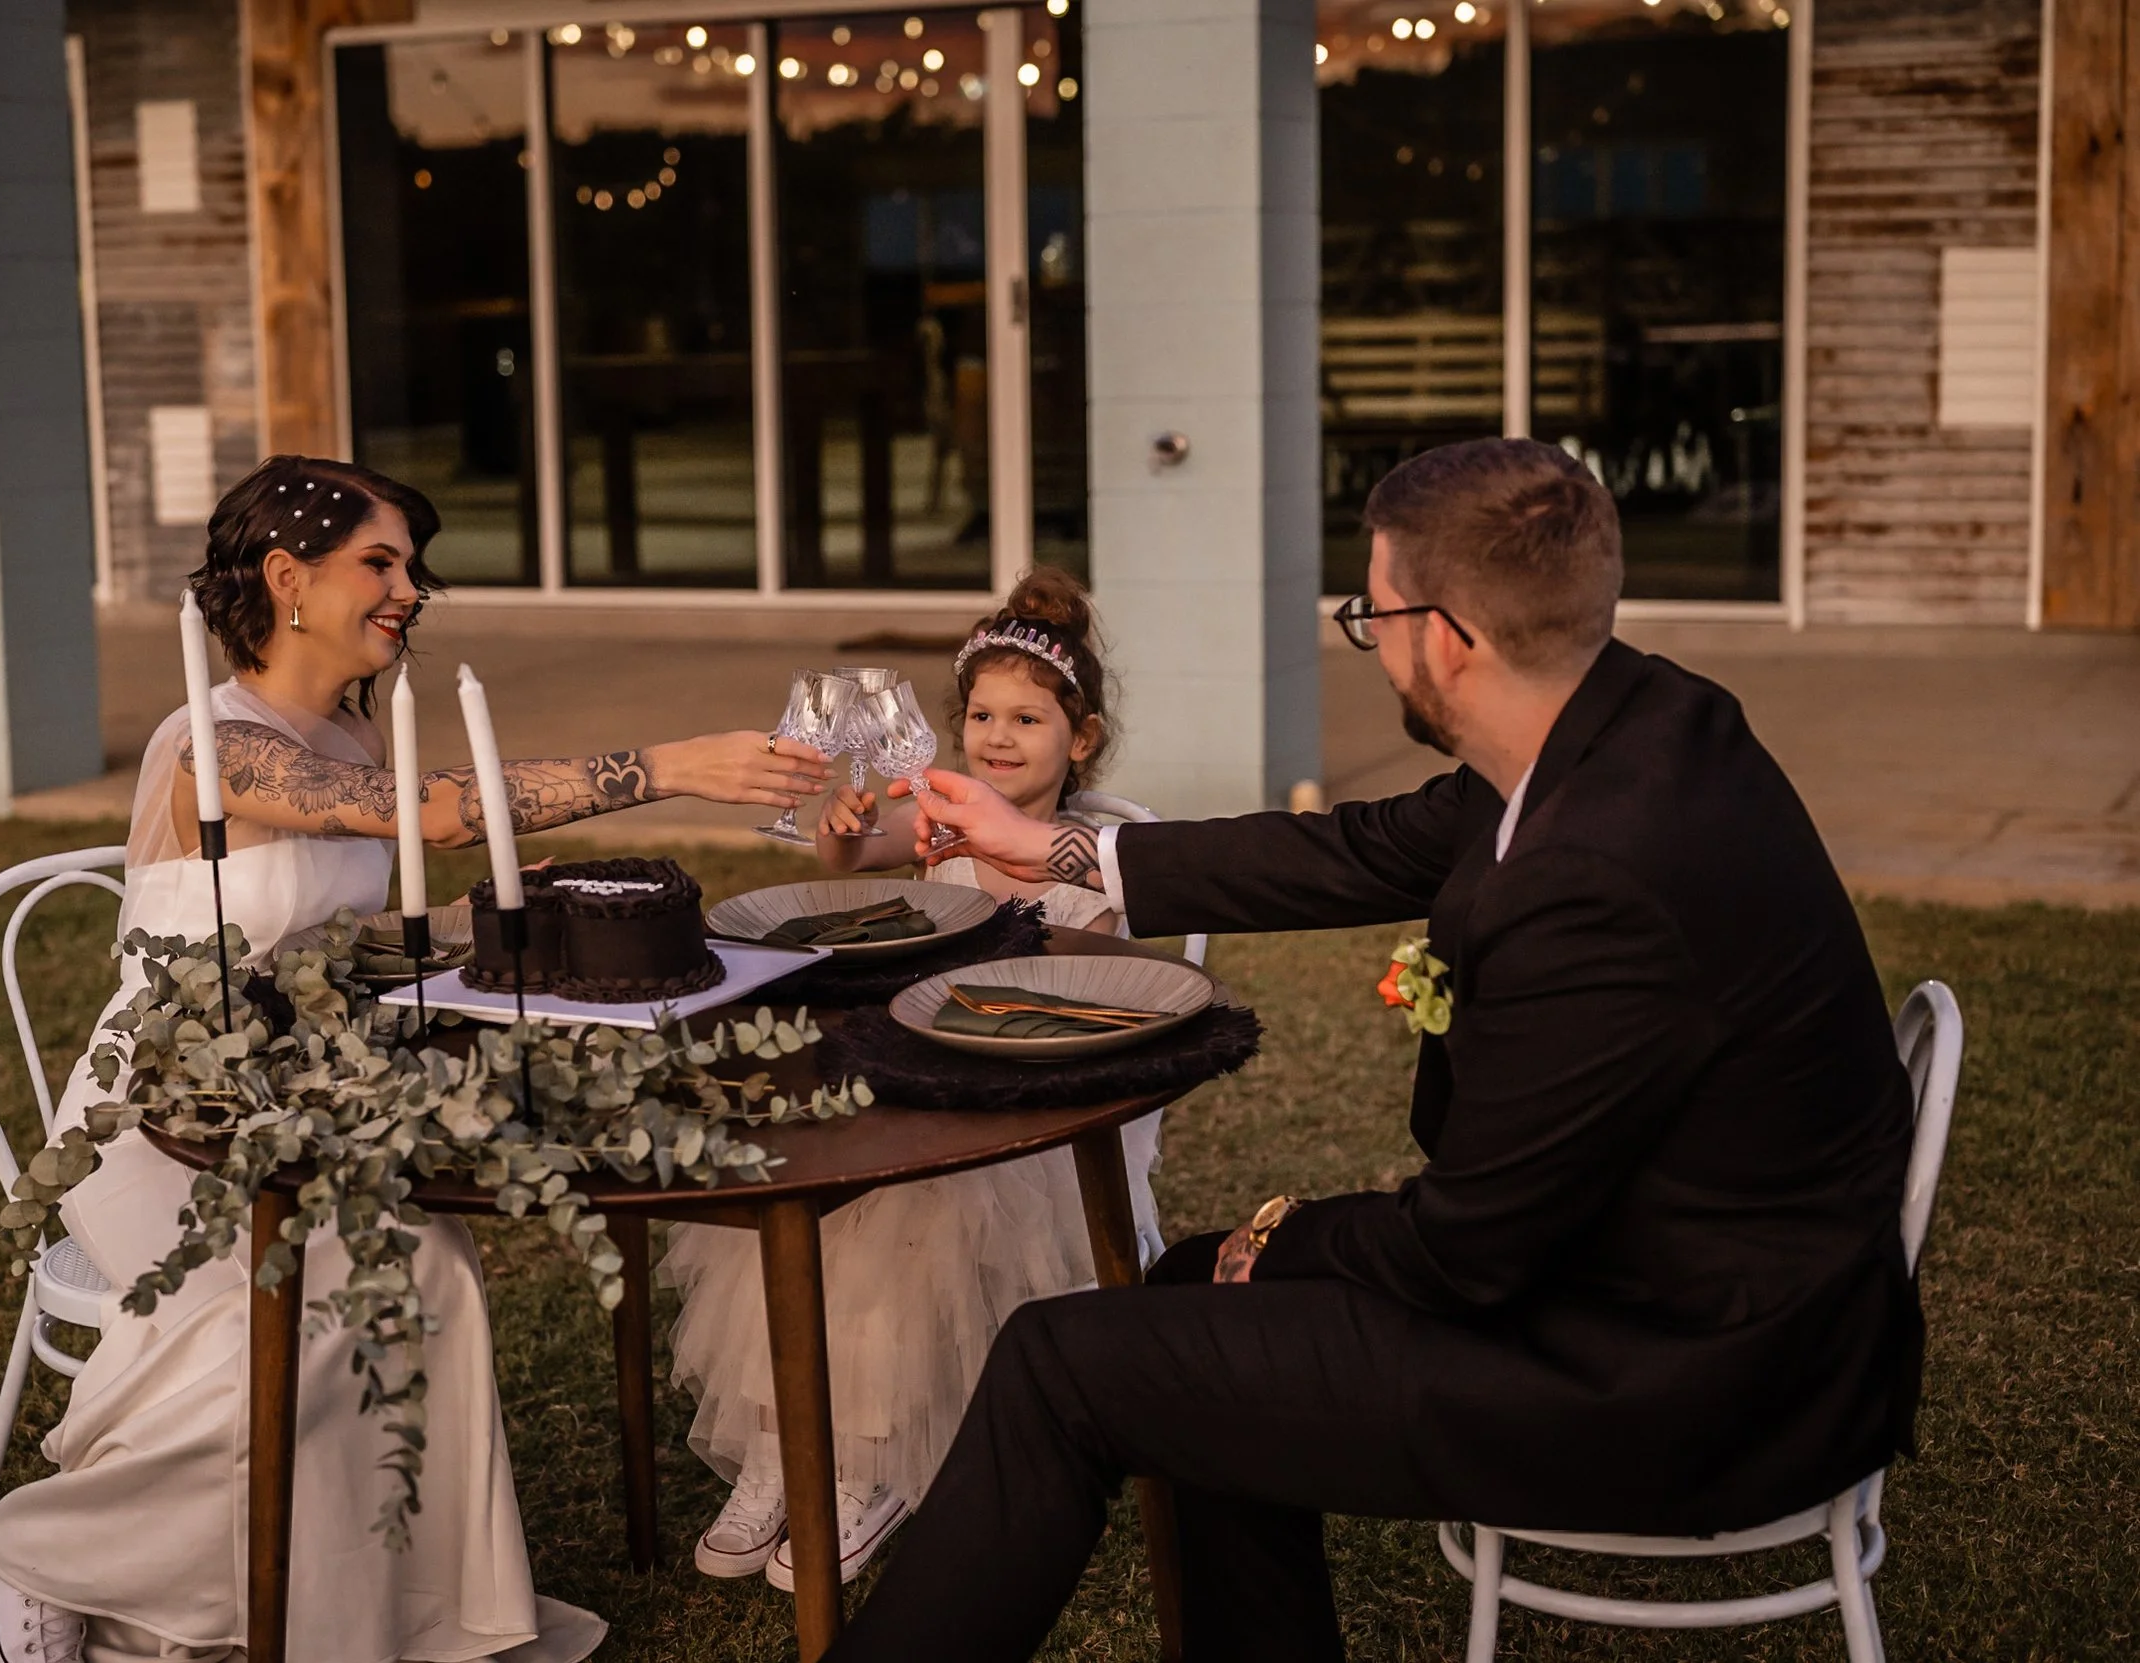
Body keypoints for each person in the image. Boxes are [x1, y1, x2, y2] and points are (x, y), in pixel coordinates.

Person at [822, 438, 1925, 1662]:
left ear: (1446, 636)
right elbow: (1364, 849)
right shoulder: (1632, 719)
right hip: (1694, 1274)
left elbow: (1467, 1254)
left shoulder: (1591, 881)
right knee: (1185, 1289)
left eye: (1371, 613)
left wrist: (1285, 1234)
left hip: (1676, 1370)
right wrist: (1068, 854)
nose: (1370, 639)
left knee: (1059, 1359)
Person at [0, 455, 831, 1663]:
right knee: (300, 1320)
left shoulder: (345, 740)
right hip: (167, 1115)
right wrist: (666, 768)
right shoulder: (214, 742)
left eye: (411, 567)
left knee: (428, 1265)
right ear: (286, 577)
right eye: (380, 562)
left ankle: (380, 1618)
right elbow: (428, 819)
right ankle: (39, 1557)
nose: (408, 589)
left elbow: (377, 924)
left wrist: (601, 929)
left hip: (306, 1096)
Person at [658, 570, 1170, 1596]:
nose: (998, 735)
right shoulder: (941, 819)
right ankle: (780, 1438)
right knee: (814, 1182)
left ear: (1083, 737)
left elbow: (1082, 995)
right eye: (980, 714)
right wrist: (848, 821)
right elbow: (849, 852)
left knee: (917, 1213)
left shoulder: (1099, 850)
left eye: (1028, 717)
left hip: (1036, 1128)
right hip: (923, 1085)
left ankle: (871, 1462)